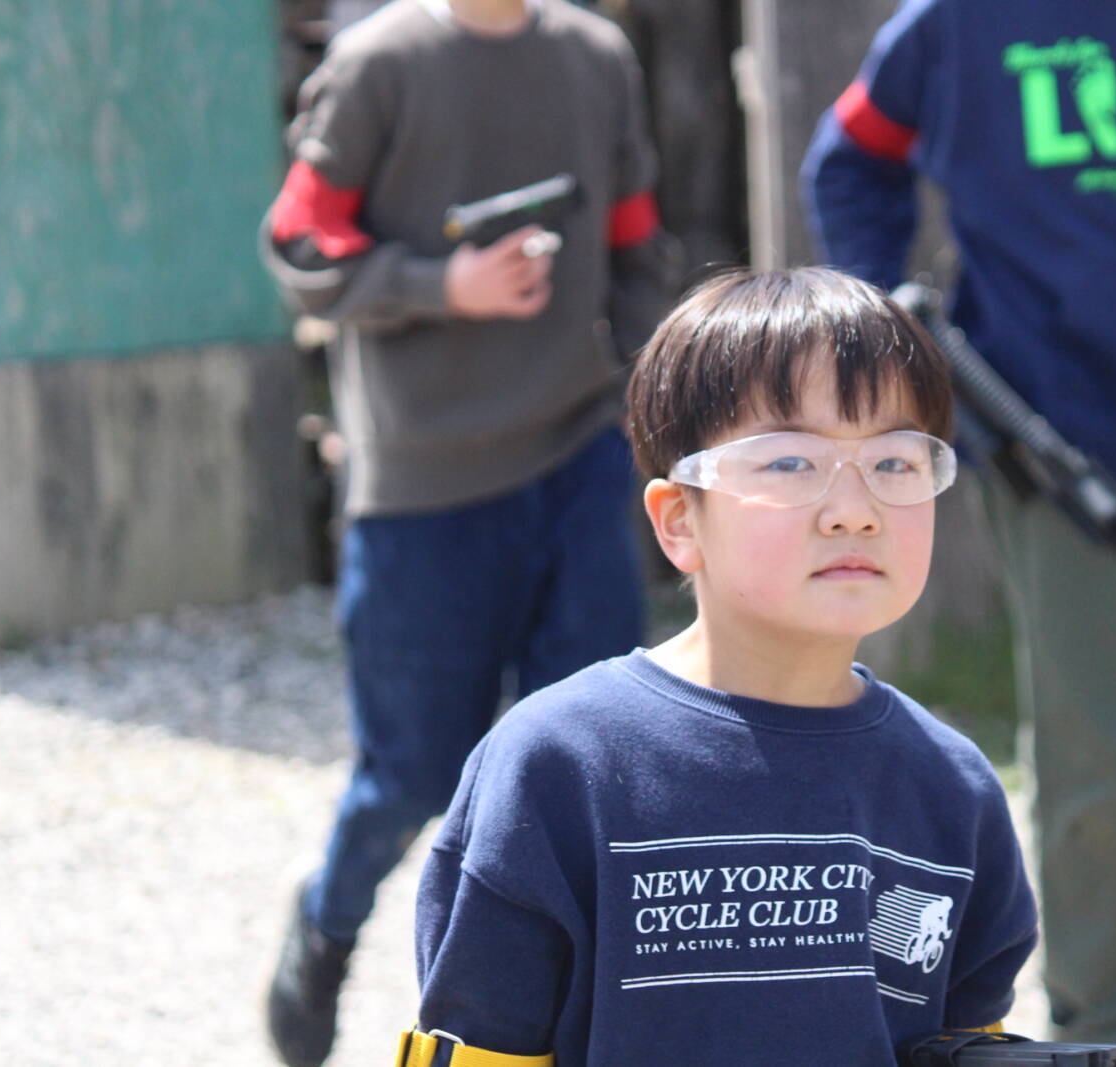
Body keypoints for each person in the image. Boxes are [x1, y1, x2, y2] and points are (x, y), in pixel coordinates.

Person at [802, 3, 1116, 1065]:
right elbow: (848, 161)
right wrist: (888, 314)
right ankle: (1106, 1022)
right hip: (1045, 431)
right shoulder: (951, 23)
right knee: (1086, 733)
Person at [398, 267, 1038, 1066]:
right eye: (790, 462)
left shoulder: (952, 789)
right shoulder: (558, 764)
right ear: (679, 520)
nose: (855, 509)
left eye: (896, 462)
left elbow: (969, 1038)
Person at [257, 1, 678, 1064]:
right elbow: (299, 239)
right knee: (411, 775)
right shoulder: (378, 64)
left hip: (580, 456)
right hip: (422, 488)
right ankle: (326, 921)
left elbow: (634, 240)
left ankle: (572, 1019)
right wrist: (440, 285)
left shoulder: (595, 57)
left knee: (592, 770)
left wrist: (656, 406)